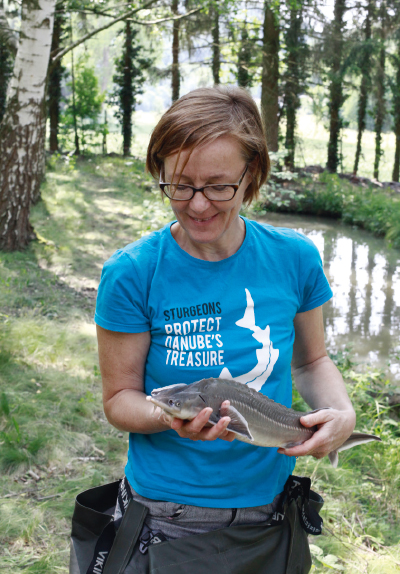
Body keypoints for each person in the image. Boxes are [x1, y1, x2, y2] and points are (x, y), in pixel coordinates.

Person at [94, 86, 356, 572]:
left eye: (218, 185)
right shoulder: (132, 272)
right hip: (169, 519)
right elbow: (119, 400)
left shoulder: (294, 257)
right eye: (180, 184)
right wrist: (170, 417)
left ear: (251, 174)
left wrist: (341, 413)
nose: (197, 205)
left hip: (275, 512)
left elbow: (311, 361)